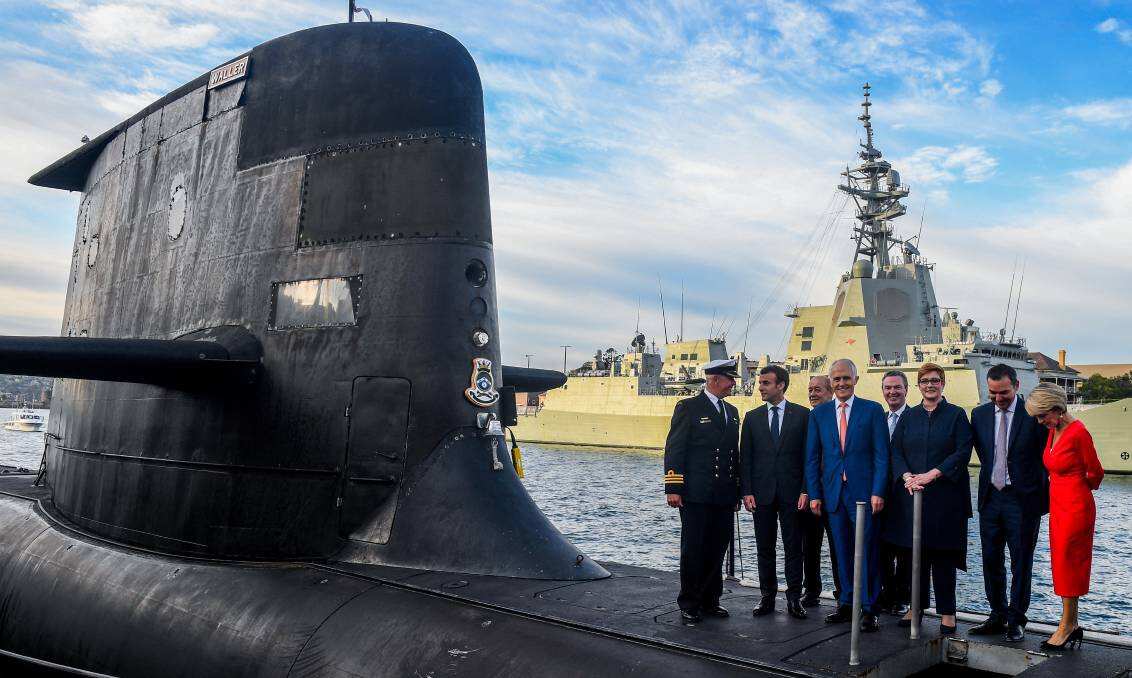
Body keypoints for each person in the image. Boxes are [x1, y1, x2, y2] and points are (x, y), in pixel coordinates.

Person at [887, 364, 973, 635]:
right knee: (914, 557)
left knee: (943, 557)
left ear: (942, 383)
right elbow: (896, 451)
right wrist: (907, 477)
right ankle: (916, 606)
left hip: (945, 499)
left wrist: (932, 475)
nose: (930, 385)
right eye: (924, 381)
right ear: (919, 385)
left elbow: (962, 451)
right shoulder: (909, 416)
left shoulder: (956, 415)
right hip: (912, 496)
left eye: (935, 380)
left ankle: (947, 612)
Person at [805, 358, 889, 632]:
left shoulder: (872, 410)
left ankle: (869, 608)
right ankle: (846, 602)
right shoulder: (819, 415)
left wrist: (878, 491)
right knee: (841, 551)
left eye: (846, 378)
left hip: (864, 495)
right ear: (831, 382)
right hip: (833, 495)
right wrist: (814, 494)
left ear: (855, 380)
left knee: (867, 551)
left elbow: (881, 456)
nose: (841, 383)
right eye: (837, 379)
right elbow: (812, 458)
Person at [969, 364, 1048, 643]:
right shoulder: (979, 415)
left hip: (1022, 501)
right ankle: (997, 615)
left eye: (1003, 392)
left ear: (1016, 386)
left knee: (1021, 562)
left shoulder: (1033, 415)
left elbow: (1045, 456)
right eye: (993, 393)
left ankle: (1017, 620)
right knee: (991, 560)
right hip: (991, 498)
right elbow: (984, 454)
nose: (998, 398)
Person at [1026, 383, 1104, 651]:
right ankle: (1071, 623)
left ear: (1057, 408)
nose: (1040, 421)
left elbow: (1096, 473)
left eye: (1042, 415)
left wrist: (1075, 486)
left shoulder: (1078, 432)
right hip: (1058, 506)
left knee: (1070, 563)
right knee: (1061, 562)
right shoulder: (1054, 430)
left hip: (1075, 506)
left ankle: (1067, 625)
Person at [664, 358, 741, 625]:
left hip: (723, 495)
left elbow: (733, 455)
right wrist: (673, 487)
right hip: (695, 494)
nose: (733, 384)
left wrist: (736, 492)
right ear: (715, 380)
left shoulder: (732, 411)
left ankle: (711, 600)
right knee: (694, 549)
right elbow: (675, 448)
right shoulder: (688, 407)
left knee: (717, 549)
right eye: (730, 379)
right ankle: (689, 602)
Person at [740, 365, 810, 620]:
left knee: (794, 548)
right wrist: (746, 491)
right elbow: (746, 458)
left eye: (766, 383)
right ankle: (767, 597)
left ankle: (794, 599)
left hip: (793, 494)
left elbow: (809, 457)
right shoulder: (752, 417)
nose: (760, 387)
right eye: (760, 383)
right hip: (762, 494)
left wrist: (805, 490)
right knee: (764, 548)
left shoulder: (802, 415)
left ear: (781, 385)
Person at [800, 375, 840, 607]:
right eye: (810, 390)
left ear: (830, 392)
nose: (813, 394)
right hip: (811, 493)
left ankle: (842, 592)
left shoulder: (839, 418)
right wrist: (805, 490)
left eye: (818, 390)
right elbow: (804, 460)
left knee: (839, 546)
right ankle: (812, 589)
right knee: (810, 546)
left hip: (835, 494)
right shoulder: (807, 419)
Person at [877, 370, 911, 617]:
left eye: (897, 387)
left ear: (906, 389)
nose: (892, 392)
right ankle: (886, 593)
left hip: (907, 493)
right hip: (881, 492)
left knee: (906, 549)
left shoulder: (915, 417)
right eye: (888, 388)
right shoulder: (879, 419)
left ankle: (902, 597)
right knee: (882, 547)